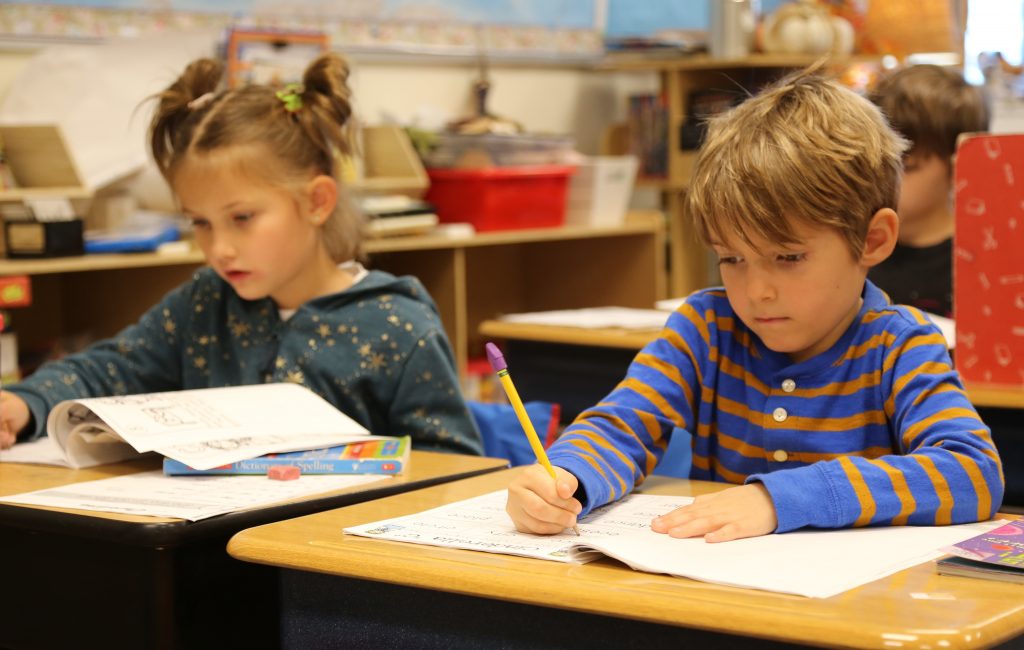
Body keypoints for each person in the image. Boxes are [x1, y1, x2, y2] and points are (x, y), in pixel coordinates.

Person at [506, 66, 1004, 542]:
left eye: (788, 256)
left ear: (872, 240)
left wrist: (778, 500)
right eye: (732, 258)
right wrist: (566, 480)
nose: (757, 290)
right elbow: (620, 427)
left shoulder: (900, 344)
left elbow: (973, 473)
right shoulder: (706, 329)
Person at [0, 53, 482, 456]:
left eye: (243, 218)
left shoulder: (398, 326)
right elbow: (110, 369)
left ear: (316, 201)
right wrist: (23, 404)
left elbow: (454, 469)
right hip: (214, 549)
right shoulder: (207, 303)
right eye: (201, 223)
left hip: (329, 559)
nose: (219, 248)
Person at [867, 64, 989, 317]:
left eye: (907, 167)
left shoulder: (983, 258)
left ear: (958, 167)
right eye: (876, 162)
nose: (881, 178)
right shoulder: (859, 249)